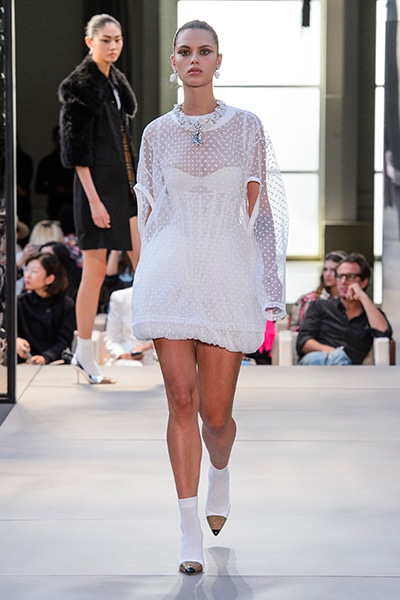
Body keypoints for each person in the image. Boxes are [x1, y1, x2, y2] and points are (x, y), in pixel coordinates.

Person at [131, 20, 288, 575]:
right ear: (173, 63)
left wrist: (269, 286)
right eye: (184, 51)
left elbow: (260, 216)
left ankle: (219, 471)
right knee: (181, 402)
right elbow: (148, 216)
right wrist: (142, 280)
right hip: (170, 276)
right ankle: (187, 529)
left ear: (219, 60)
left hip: (225, 277)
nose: (193, 59)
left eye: (204, 51)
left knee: (216, 416)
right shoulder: (155, 133)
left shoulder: (246, 127)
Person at [58, 13, 139, 384]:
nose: (113, 45)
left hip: (124, 184)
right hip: (95, 188)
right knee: (93, 269)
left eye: (117, 39)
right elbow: (76, 151)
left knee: (145, 262)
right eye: (105, 39)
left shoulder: (116, 82)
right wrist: (93, 201)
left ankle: (163, 342)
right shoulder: (80, 86)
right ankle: (85, 353)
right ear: (89, 41)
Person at [296, 252, 393, 365]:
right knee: (340, 358)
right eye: (340, 276)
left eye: (350, 277)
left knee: (343, 361)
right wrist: (333, 353)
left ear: (363, 282)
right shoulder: (320, 306)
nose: (343, 282)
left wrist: (363, 297)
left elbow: (384, 335)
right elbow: (303, 342)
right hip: (317, 361)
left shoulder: (370, 315)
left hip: (350, 369)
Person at [16, 253, 76, 365]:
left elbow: (64, 341)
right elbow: (8, 330)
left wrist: (46, 357)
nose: (27, 275)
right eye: (27, 270)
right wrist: (16, 340)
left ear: (49, 279)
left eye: (34, 271)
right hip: (22, 363)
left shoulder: (66, 305)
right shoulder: (20, 302)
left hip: (55, 363)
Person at [289, 250, 347, 331]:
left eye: (333, 270)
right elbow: (298, 330)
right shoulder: (310, 299)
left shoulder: (351, 300)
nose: (327, 274)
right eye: (325, 269)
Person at [104, 286, 154, 366]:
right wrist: (123, 355)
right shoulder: (120, 297)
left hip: (159, 360)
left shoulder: (169, 296)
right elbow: (112, 339)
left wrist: (149, 346)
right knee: (135, 365)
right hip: (129, 362)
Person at [35, 126, 74, 221]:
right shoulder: (47, 162)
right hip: (55, 206)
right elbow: (38, 187)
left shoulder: (76, 162)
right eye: (58, 138)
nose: (61, 141)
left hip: (74, 203)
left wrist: (72, 189)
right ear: (54, 139)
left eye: (63, 137)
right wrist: (54, 189)